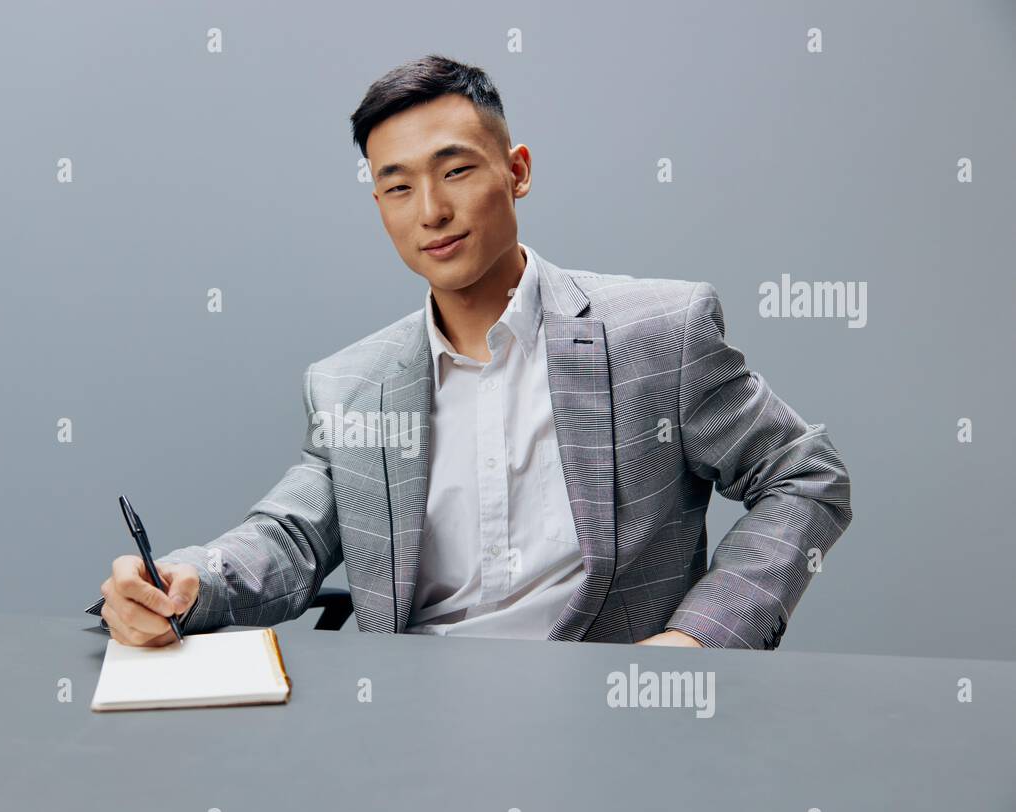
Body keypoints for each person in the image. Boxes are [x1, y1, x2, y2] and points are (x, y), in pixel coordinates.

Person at [99, 54, 852, 650]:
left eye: (456, 170)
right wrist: (187, 580)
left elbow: (804, 477)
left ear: (516, 171)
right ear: (380, 208)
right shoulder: (353, 386)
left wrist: (698, 638)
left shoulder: (659, 333)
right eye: (398, 188)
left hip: (610, 725)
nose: (431, 211)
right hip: (411, 731)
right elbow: (290, 535)